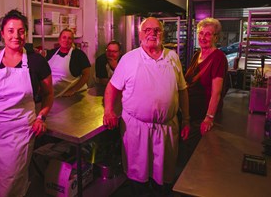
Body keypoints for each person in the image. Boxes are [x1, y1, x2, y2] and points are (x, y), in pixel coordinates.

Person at [0, 9, 54, 197]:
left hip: (18, 134)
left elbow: (48, 94)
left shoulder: (37, 62)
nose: (16, 36)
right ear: (3, 33)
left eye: (21, 31)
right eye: (11, 31)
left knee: (11, 184)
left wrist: (41, 116)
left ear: (26, 33)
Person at [103, 17, 190, 196]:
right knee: (137, 174)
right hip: (136, 128)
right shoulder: (129, 59)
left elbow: (182, 90)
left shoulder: (173, 57)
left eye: (157, 30)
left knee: (164, 175)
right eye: (148, 30)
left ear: (162, 34)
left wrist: (187, 119)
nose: (152, 33)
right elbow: (112, 87)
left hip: (166, 128)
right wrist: (109, 110)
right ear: (140, 34)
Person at [181, 17, 228, 166]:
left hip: (203, 115)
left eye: (208, 34)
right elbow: (189, 82)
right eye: (201, 33)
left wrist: (208, 118)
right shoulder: (197, 55)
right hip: (191, 113)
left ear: (216, 37)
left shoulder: (218, 57)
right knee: (187, 151)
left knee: (198, 158)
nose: (203, 37)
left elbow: (216, 92)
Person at [46, 28, 91, 97]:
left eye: (69, 38)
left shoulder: (79, 55)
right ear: (59, 39)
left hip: (70, 95)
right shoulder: (52, 53)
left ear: (72, 41)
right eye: (64, 37)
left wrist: (73, 90)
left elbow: (86, 74)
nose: (66, 40)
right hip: (52, 93)